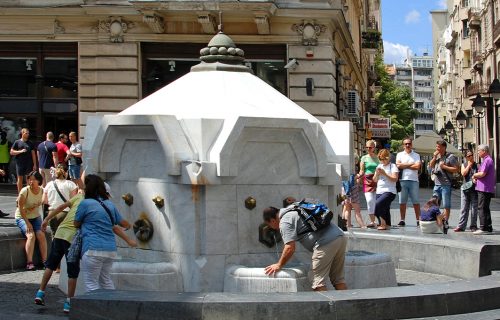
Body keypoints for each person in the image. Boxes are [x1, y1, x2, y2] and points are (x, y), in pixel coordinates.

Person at [74, 174, 137, 293]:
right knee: (106, 281)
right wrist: (129, 226)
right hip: (110, 250)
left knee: (91, 284)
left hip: (92, 248)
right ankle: (112, 308)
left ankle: (94, 310)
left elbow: (76, 223)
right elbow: (122, 223)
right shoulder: (110, 205)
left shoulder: (85, 204)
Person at [262, 205, 347, 291]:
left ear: (272, 220)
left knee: (317, 281)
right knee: (338, 279)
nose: (272, 228)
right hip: (340, 236)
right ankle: (347, 304)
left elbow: (289, 248)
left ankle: (326, 304)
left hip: (326, 242)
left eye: (269, 225)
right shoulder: (293, 208)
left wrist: (279, 264)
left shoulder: (284, 222)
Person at [35, 190, 84, 314]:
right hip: (71, 238)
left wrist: (46, 218)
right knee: (72, 271)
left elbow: (62, 206)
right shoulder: (93, 203)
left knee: (51, 265)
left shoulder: (79, 197)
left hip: (60, 233)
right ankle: (68, 302)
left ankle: (40, 292)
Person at [15, 171, 47, 270]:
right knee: (31, 235)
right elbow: (20, 207)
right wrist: (27, 223)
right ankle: (29, 262)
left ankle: (45, 261)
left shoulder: (42, 191)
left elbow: (45, 204)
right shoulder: (25, 191)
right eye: (30, 179)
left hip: (36, 217)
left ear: (39, 181)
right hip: (22, 217)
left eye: (33, 179)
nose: (31, 182)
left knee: (41, 234)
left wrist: (45, 221)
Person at [43, 164, 77, 240]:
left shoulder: (49, 184)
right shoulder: (71, 184)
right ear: (66, 172)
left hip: (52, 213)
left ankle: (55, 251)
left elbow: (44, 201)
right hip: (65, 213)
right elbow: (74, 200)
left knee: (54, 236)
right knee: (66, 237)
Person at [428, 140, 459, 221]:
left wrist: (444, 167)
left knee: (446, 204)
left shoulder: (451, 157)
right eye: (436, 146)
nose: (436, 148)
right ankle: (434, 219)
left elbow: (456, 169)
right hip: (437, 184)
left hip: (446, 184)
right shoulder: (437, 156)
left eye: (438, 146)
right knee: (434, 203)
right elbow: (431, 165)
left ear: (444, 147)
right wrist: (434, 157)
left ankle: (445, 221)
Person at [396, 137, 421, 227]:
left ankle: (418, 220)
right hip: (402, 180)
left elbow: (418, 167)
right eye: (406, 144)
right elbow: (398, 165)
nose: (407, 145)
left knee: (416, 201)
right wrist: (411, 164)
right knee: (402, 202)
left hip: (414, 180)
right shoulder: (399, 154)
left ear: (411, 145)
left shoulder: (416, 155)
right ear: (403, 145)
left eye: (409, 144)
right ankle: (402, 219)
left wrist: (404, 165)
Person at [472, 144, 495, 234]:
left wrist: (474, 175)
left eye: (479, 151)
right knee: (485, 208)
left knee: (481, 207)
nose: (478, 152)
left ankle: (483, 228)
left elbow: (482, 174)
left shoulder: (487, 160)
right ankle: (488, 227)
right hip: (485, 187)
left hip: (484, 188)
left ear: (484, 151)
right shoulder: (487, 160)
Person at [373, 149, 399, 230]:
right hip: (379, 190)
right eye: (381, 159)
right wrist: (377, 174)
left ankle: (383, 224)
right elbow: (374, 180)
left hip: (390, 191)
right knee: (385, 208)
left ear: (388, 158)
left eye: (385, 159)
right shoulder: (379, 166)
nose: (383, 161)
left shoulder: (393, 166)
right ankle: (387, 224)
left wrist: (385, 174)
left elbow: (395, 179)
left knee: (378, 204)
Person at [454, 151, 479, 232]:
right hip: (465, 188)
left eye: (471, 155)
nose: (470, 157)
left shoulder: (477, 165)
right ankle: (461, 226)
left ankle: (473, 226)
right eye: (468, 156)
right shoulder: (463, 165)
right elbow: (463, 173)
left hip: (474, 189)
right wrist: (468, 166)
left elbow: (480, 175)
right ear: (466, 157)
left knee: (474, 209)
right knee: (464, 208)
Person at [357, 140, 379, 228]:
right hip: (367, 180)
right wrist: (358, 177)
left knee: (377, 201)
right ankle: (372, 221)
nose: (368, 149)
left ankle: (377, 220)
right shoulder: (364, 158)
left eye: (370, 147)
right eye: (367, 147)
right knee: (370, 201)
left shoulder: (378, 157)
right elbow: (362, 170)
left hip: (377, 180)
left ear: (374, 147)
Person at [10, 128, 37, 193]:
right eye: (26, 133)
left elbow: (33, 154)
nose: (27, 134)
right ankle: (20, 194)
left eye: (28, 133)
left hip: (28, 163)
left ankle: (28, 193)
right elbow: (11, 152)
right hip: (19, 163)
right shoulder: (17, 142)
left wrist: (35, 164)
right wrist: (20, 151)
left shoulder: (30, 143)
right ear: (22, 133)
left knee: (28, 179)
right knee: (20, 178)